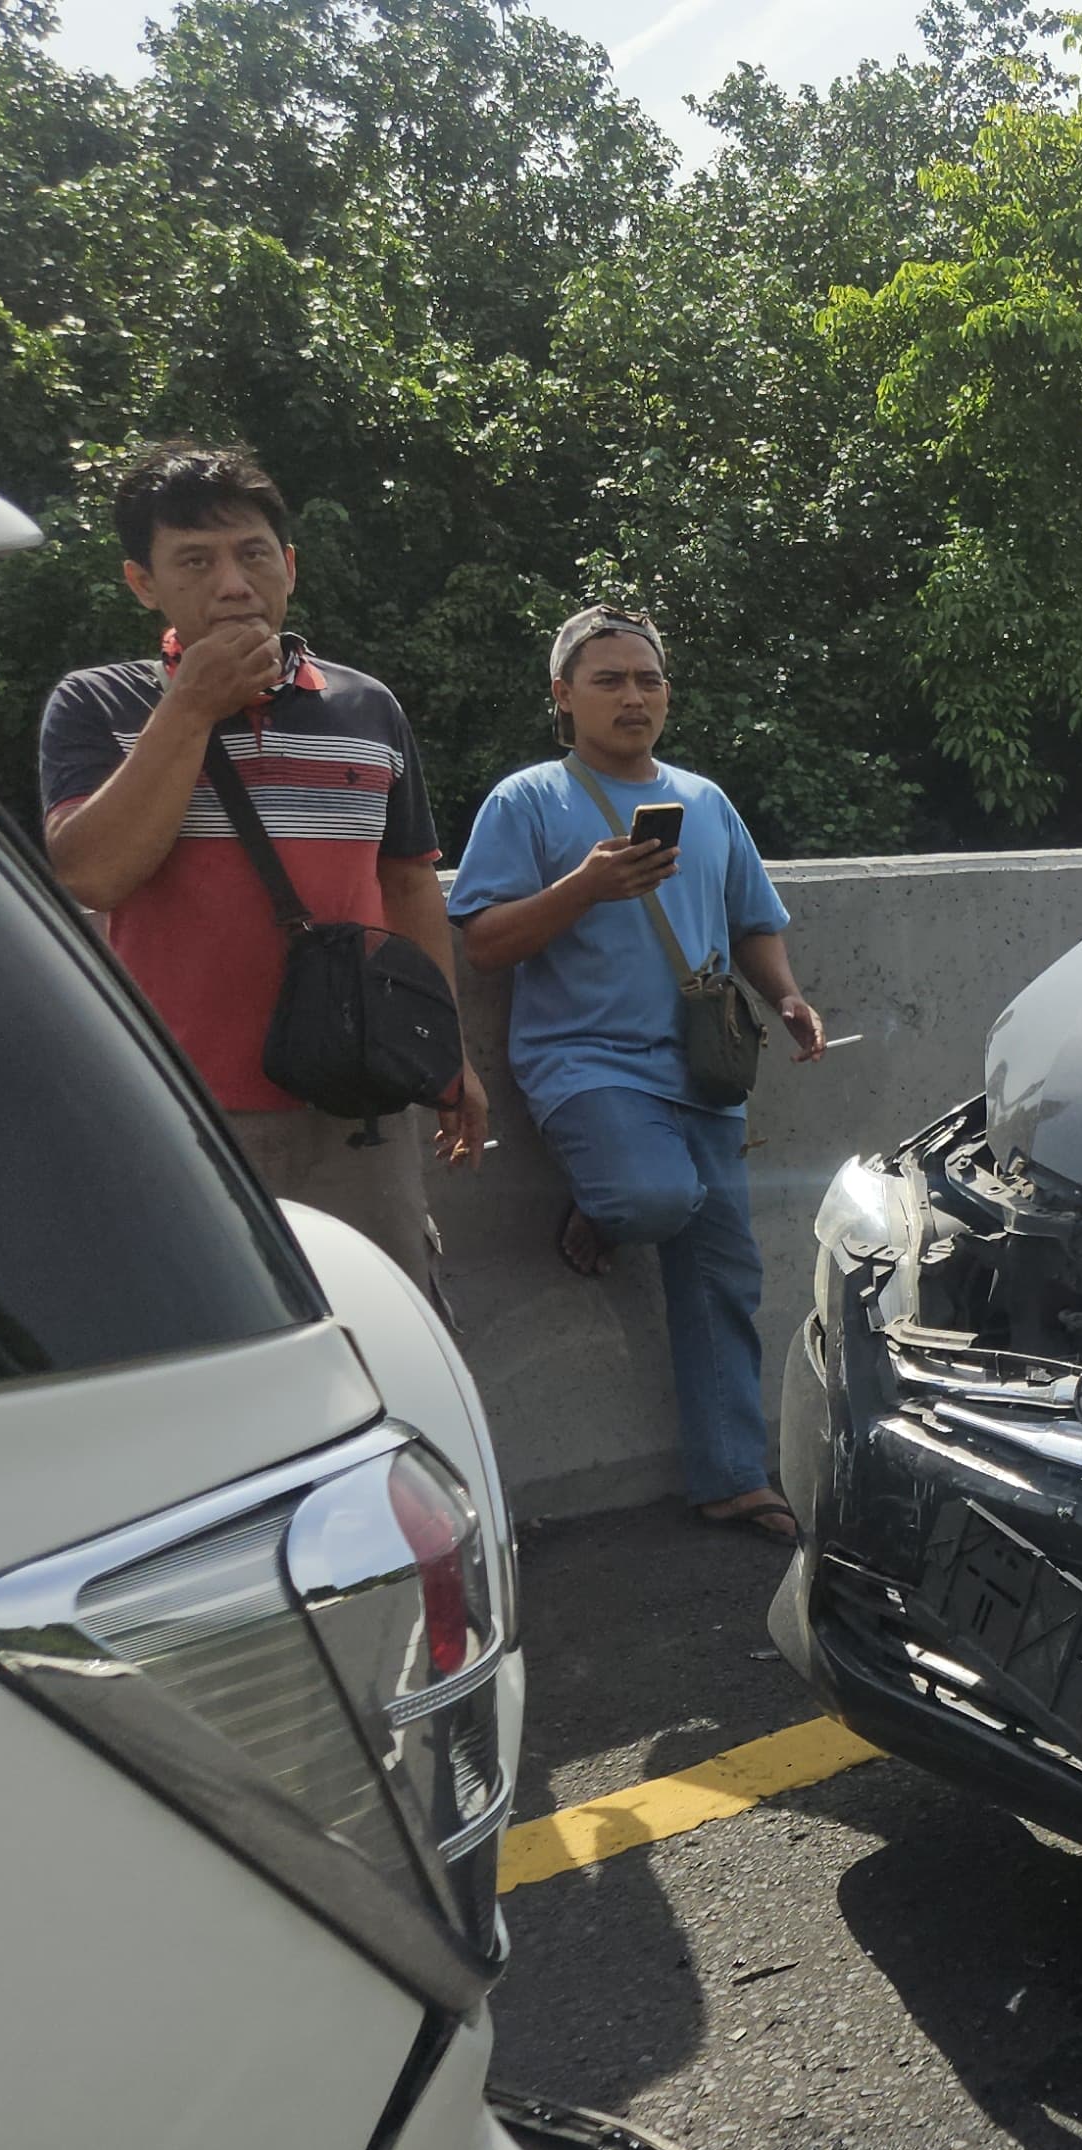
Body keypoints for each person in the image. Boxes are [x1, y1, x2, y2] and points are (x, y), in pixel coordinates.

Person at [42, 444, 483, 1284]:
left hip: (361, 1101)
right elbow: (94, 874)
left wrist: (447, 1050)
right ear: (145, 584)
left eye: (251, 556)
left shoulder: (368, 706)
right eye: (195, 562)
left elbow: (408, 883)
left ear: (288, 567)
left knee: (385, 1329)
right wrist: (192, 705)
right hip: (185, 1112)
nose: (233, 585)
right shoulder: (97, 705)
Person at [452, 607, 825, 1539]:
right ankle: (604, 1199)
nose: (633, 697)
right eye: (609, 679)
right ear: (563, 696)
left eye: (647, 679)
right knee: (651, 1199)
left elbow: (752, 920)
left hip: (701, 1064)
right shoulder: (528, 801)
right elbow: (486, 942)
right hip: (585, 1061)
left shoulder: (705, 800)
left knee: (725, 1275)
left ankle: (733, 1475)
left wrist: (783, 996)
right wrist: (584, 885)